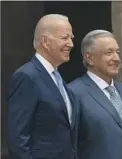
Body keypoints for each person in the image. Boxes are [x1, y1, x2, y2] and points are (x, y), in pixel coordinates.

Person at [7, 14, 78, 159]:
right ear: (45, 41)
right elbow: (17, 137)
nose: (71, 44)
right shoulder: (27, 76)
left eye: (71, 38)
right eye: (65, 38)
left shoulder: (57, 77)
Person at [67, 30, 122, 159]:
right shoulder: (73, 93)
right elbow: (69, 145)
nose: (116, 58)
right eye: (109, 53)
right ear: (89, 58)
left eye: (117, 52)